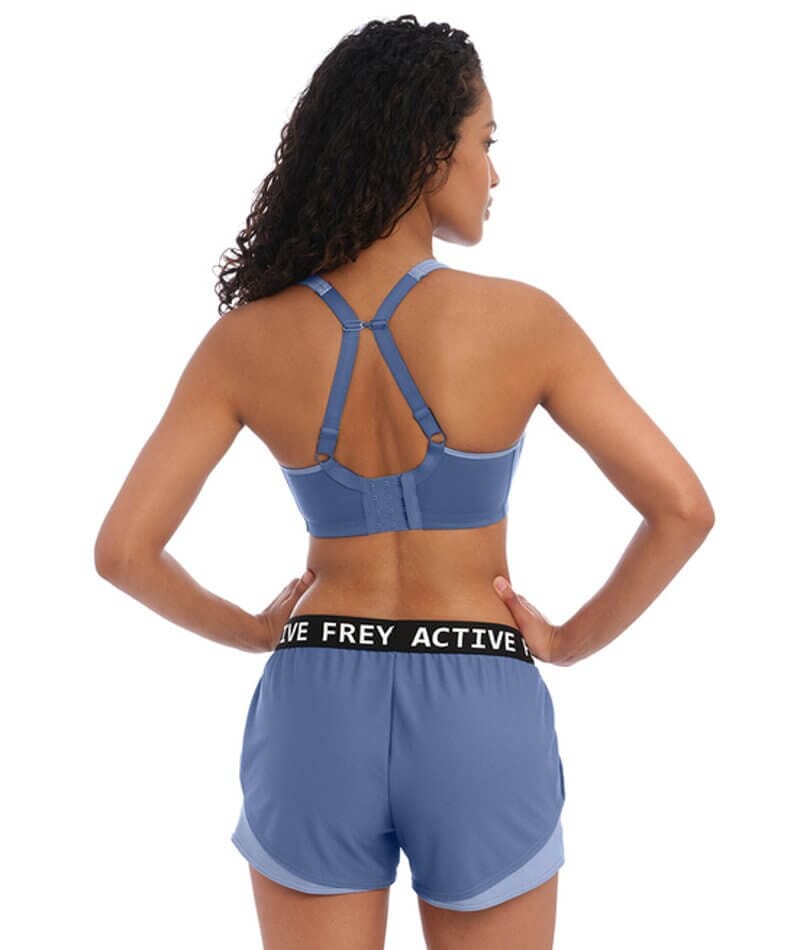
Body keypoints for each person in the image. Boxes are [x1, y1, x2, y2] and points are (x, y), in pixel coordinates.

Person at [94, 14, 715, 950]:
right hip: (479, 697)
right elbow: (682, 507)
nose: (494, 173)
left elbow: (123, 551)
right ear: (429, 150)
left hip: (316, 698)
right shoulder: (524, 323)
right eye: (486, 142)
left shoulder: (247, 341)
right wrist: (568, 641)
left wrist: (255, 630)